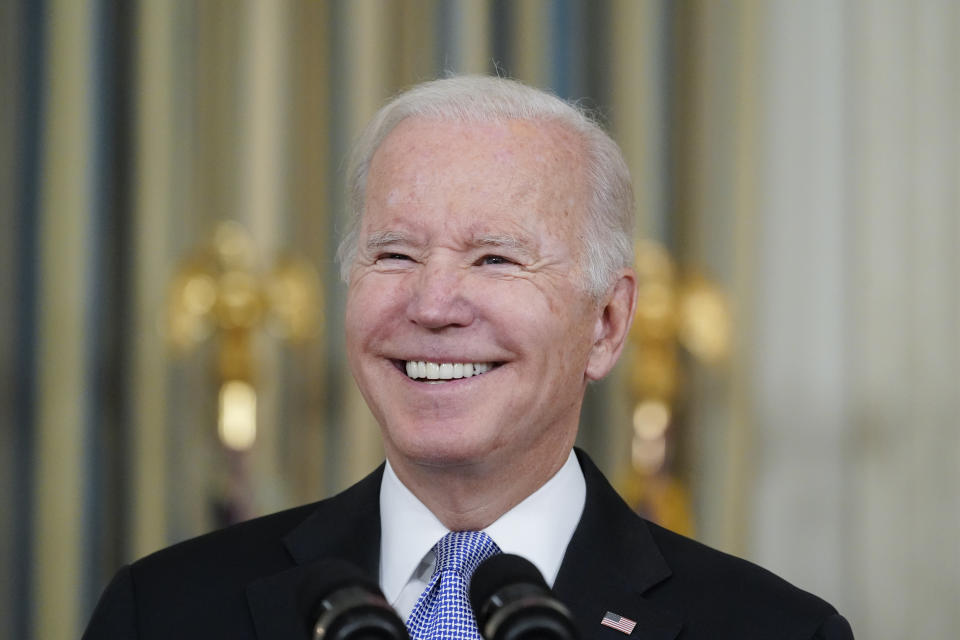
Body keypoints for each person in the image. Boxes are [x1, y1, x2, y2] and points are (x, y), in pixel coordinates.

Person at [83, 76, 853, 639]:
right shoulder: (164, 611)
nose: (433, 305)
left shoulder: (773, 630)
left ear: (608, 323)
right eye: (393, 253)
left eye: (494, 259)